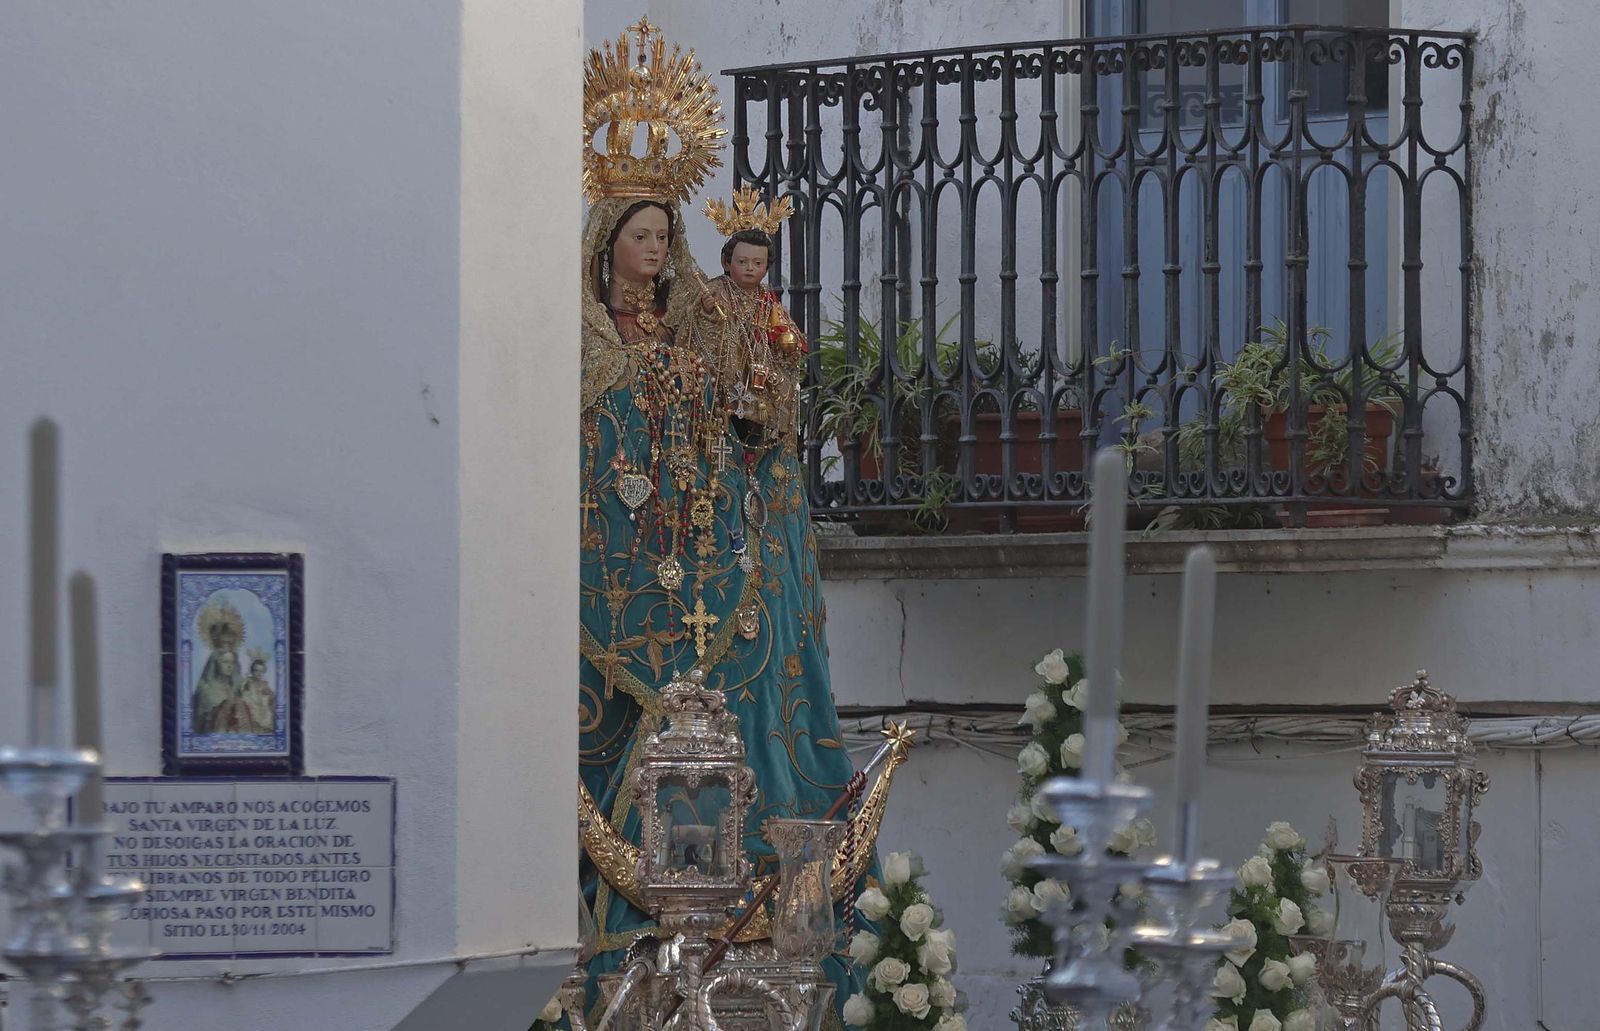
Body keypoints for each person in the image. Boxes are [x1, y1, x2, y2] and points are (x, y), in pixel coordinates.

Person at [574, 20, 893, 1025]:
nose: (660, 252)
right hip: (624, 570)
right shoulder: (580, 352)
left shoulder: (703, 334)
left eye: (669, 236)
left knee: (738, 673)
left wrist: (749, 405)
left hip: (703, 569)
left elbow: (750, 424)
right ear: (608, 246)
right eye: (644, 235)